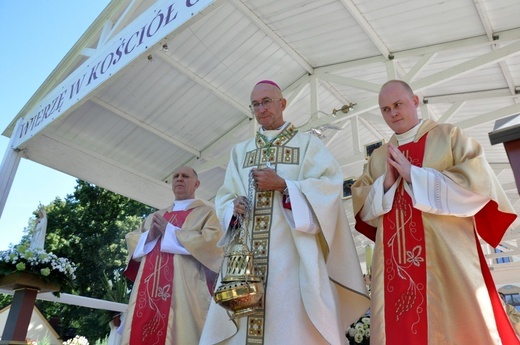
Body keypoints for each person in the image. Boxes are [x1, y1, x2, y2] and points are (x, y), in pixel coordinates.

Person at [200, 80, 369, 345]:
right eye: (255, 104)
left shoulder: (308, 147)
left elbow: (329, 189)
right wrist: (233, 208)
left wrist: (284, 186)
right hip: (245, 264)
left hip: (291, 258)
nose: (261, 109)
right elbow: (225, 196)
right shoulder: (240, 152)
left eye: (267, 101)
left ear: (283, 104)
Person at [351, 79, 518, 344]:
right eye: (385, 109)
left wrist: (414, 175)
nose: (392, 113)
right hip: (395, 266)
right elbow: (363, 209)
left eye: (398, 105)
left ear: (415, 101)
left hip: (447, 258)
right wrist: (385, 184)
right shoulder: (379, 157)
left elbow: (477, 186)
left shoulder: (448, 135)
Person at [121, 166, 224, 345]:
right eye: (176, 176)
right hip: (149, 291)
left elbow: (212, 243)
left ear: (196, 184)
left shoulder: (207, 213)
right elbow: (132, 238)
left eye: (185, 176)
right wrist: (149, 236)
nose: (179, 179)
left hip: (185, 290)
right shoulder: (156, 215)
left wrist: (171, 232)